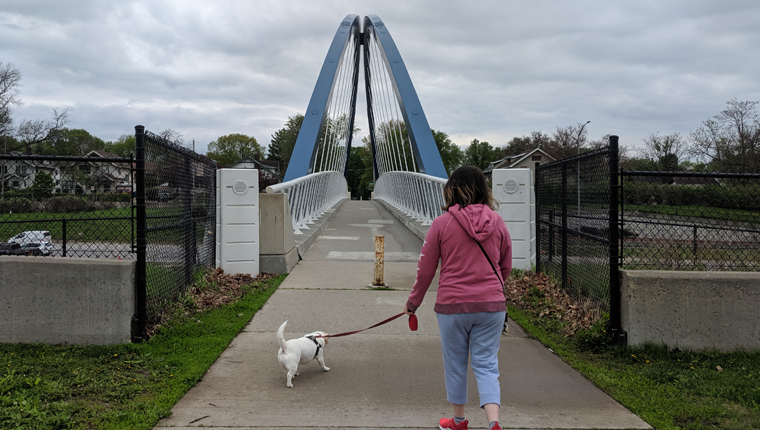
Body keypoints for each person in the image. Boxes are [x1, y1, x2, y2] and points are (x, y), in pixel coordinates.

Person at [403, 165, 512, 430]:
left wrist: (413, 303)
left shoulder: (442, 224)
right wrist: (491, 291)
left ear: (452, 189)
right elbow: (506, 263)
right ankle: (494, 422)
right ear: (482, 190)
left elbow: (425, 270)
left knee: (455, 364)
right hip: (492, 306)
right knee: (486, 364)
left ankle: (459, 421)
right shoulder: (497, 222)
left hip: (453, 307)